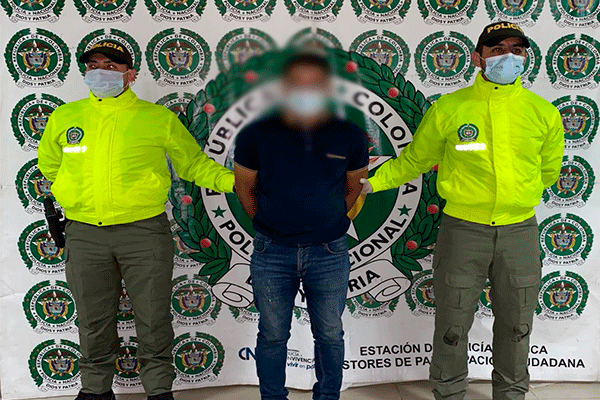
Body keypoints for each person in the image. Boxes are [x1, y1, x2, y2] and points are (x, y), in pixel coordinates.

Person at [361, 22, 564, 400]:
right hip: (462, 231)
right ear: (477, 58)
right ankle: (449, 393)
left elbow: (548, 171)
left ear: (525, 57)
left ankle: (511, 394)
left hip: (519, 232)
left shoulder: (543, 113)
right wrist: (370, 183)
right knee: (452, 325)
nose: (508, 57)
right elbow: (415, 160)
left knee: (517, 325)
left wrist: (518, 197)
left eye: (517, 50)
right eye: (497, 49)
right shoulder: (450, 108)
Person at [38, 40, 234, 400]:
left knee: (153, 317)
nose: (100, 73)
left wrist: (239, 183)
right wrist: (76, 193)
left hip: (144, 233)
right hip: (84, 234)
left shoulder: (158, 119)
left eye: (111, 67)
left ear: (130, 74)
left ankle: (158, 391)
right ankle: (95, 391)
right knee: (92, 320)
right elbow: (50, 165)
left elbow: (194, 165)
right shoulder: (65, 117)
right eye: (93, 66)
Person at [234, 52, 369, 400]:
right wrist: (270, 220)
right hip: (271, 251)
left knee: (329, 334)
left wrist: (326, 217)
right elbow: (244, 187)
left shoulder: (350, 134)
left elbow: (353, 186)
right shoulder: (255, 134)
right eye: (297, 83)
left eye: (314, 83)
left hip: (329, 251)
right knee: (272, 335)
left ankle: (327, 396)